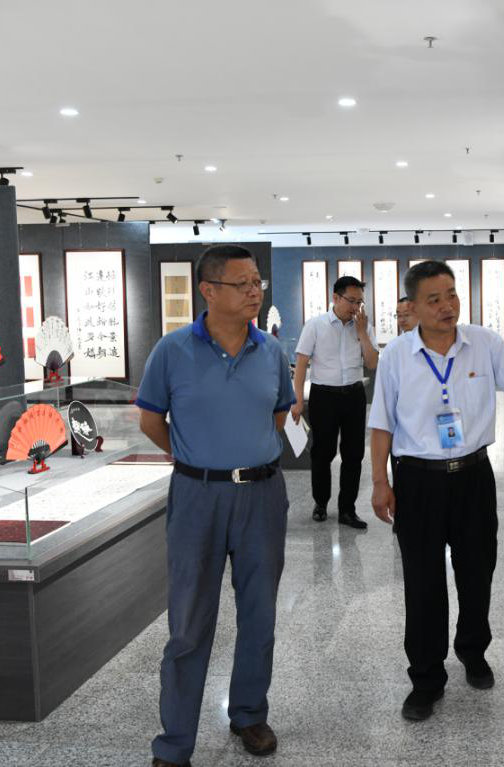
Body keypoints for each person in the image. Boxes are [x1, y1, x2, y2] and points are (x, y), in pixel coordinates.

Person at [368, 260, 504, 721]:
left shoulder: (483, 343)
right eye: (434, 299)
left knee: (477, 571)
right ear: (412, 306)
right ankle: (426, 677)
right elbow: (382, 424)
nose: (447, 305)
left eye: (452, 294)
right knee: (423, 582)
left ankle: (472, 650)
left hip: (473, 476)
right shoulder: (396, 357)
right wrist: (380, 483)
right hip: (418, 480)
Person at [136, 245, 294, 766]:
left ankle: (249, 714)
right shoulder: (172, 350)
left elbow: (278, 415)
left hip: (261, 495)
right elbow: (151, 420)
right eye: (242, 283)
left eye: (257, 283)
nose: (254, 292)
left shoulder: (271, 351)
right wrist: (198, 457)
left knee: (260, 614)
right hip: (197, 496)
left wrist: (243, 456)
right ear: (208, 290)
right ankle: (175, 741)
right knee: (188, 623)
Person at [292, 275, 379, 529]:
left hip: (354, 394)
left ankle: (347, 510)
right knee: (322, 453)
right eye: (351, 301)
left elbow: (372, 363)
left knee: (354, 454)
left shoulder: (364, 326)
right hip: (323, 396)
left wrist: (362, 333)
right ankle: (320, 503)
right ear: (335, 298)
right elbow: (301, 364)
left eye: (359, 302)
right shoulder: (315, 325)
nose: (356, 307)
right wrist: (297, 400)